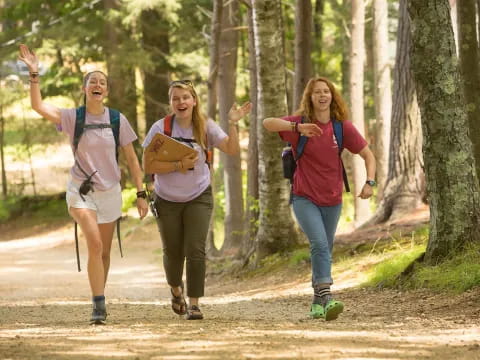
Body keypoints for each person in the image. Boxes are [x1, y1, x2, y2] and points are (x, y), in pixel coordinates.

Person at [18, 44, 149, 325]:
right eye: (92, 81)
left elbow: (133, 161)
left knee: (104, 251)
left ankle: (99, 292)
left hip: (110, 191)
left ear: (107, 91)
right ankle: (98, 305)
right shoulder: (72, 117)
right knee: (94, 242)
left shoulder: (117, 120)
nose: (97, 84)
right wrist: (34, 74)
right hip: (79, 191)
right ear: (85, 89)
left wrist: (141, 193)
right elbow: (38, 106)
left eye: (102, 82)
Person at [263, 76, 376, 321]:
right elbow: (267, 123)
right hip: (304, 197)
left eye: (326, 91)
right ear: (310, 98)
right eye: (317, 92)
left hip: (333, 199)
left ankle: (316, 303)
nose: (323, 95)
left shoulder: (341, 127)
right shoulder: (300, 124)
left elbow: (368, 155)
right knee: (320, 245)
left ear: (332, 96)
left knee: (324, 248)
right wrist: (296, 128)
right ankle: (326, 297)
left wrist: (370, 182)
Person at [142, 80, 251, 320]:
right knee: (172, 252)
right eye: (176, 98)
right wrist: (179, 165)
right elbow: (148, 164)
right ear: (170, 103)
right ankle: (175, 290)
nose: (181, 102)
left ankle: (194, 303)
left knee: (196, 250)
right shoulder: (160, 128)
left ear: (194, 101)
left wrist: (233, 123)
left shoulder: (205, 127)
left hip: (198, 196)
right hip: (166, 199)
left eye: (185, 97)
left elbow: (231, 149)